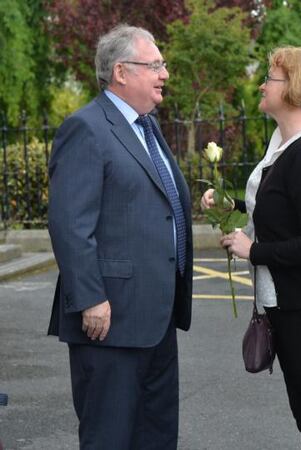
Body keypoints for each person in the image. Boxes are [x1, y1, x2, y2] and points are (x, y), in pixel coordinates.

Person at [203, 46, 301, 449]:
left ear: (295, 88)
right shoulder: (284, 142)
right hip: (292, 303)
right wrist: (231, 205)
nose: (262, 83)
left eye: (271, 78)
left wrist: (252, 251)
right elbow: (278, 209)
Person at [47, 24, 192, 449]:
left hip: (157, 316)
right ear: (121, 72)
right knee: (109, 436)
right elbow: (70, 223)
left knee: (157, 434)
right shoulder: (87, 128)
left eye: (163, 65)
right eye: (155, 65)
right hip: (108, 320)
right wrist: (90, 297)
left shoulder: (147, 127)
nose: (164, 73)